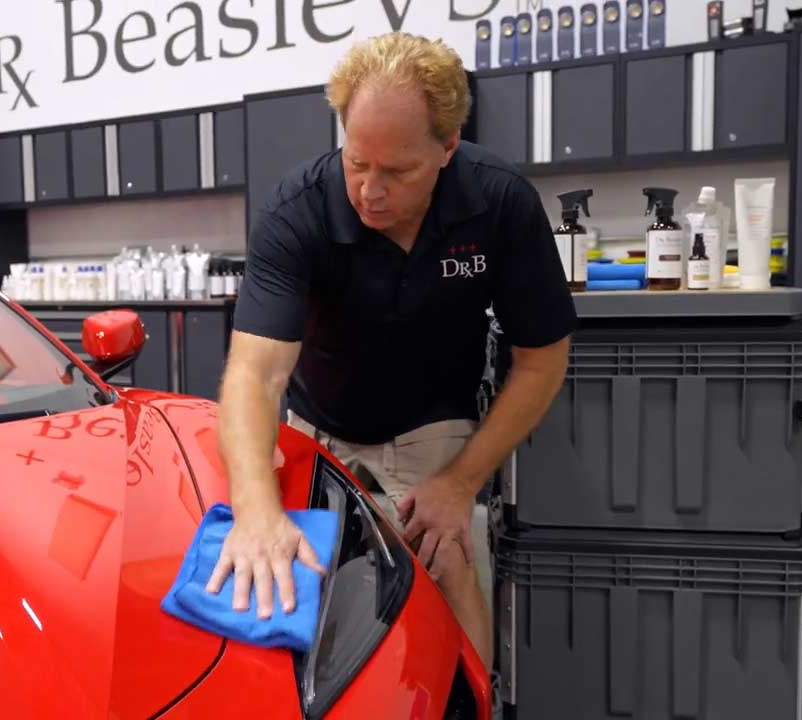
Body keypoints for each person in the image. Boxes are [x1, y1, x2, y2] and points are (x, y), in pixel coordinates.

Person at [204, 32, 575, 666]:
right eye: (356, 161)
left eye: (398, 170)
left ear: (447, 148)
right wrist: (255, 511)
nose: (370, 190)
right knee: (286, 597)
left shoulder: (499, 203)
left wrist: (460, 485)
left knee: (451, 574)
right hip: (316, 423)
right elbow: (256, 374)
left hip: (432, 429)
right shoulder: (298, 209)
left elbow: (542, 361)